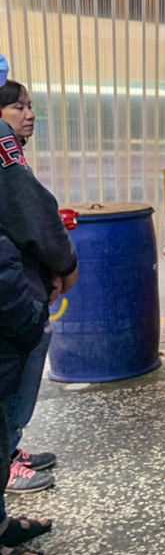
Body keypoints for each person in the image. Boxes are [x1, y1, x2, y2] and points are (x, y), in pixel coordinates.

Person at [0, 81, 78, 494]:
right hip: (13, 295)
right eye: (18, 107)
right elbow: (34, 216)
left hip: (22, 282)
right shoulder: (3, 149)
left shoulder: (12, 151)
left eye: (30, 106)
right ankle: (6, 458)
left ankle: (10, 451)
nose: (28, 115)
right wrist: (65, 265)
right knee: (17, 375)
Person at [0, 116, 59, 555]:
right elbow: (32, 215)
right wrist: (27, 314)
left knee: (5, 426)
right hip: (9, 312)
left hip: (14, 306)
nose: (26, 113)